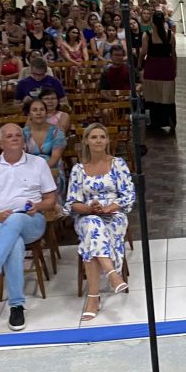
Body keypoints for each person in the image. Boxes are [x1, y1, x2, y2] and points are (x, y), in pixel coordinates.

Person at [0, 123, 58, 331]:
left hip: (31, 221)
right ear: (0, 143)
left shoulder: (38, 163)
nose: (15, 138)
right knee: (14, 244)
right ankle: (16, 306)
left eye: (18, 135)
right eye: (9, 136)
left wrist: (37, 206)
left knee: (16, 220)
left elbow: (50, 201)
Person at [64, 123, 136, 321]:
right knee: (92, 224)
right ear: (86, 141)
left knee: (91, 240)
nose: (98, 140)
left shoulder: (118, 164)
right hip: (87, 216)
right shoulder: (78, 170)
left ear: (107, 141)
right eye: (93, 137)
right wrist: (90, 209)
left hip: (114, 215)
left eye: (101, 137)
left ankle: (93, 297)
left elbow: (129, 196)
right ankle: (112, 273)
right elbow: (72, 203)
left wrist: (109, 208)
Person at [140, 10, 177, 132]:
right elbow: (173, 53)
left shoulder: (147, 35)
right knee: (167, 95)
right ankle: (169, 120)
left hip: (152, 67)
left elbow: (143, 52)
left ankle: (154, 122)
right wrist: (175, 68)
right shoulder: (170, 34)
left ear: (152, 21)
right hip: (166, 67)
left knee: (152, 95)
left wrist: (139, 63)